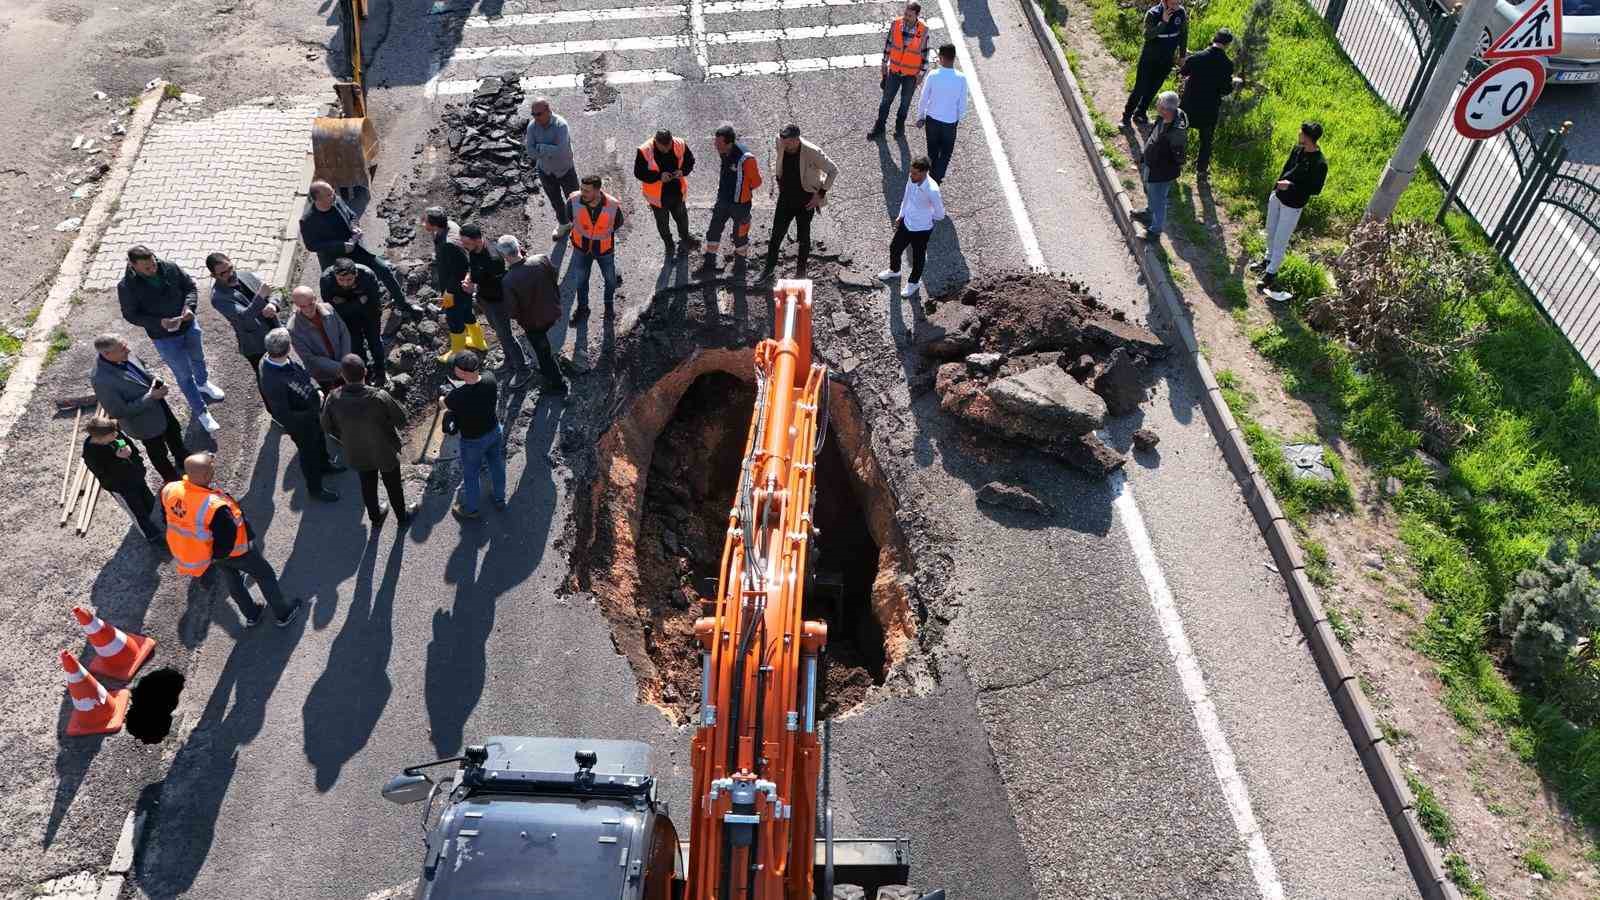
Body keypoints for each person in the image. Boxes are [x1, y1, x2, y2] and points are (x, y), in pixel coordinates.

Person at [163, 451, 303, 628]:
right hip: (237, 552)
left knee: (233, 580)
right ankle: (283, 614)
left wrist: (213, 555)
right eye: (211, 467)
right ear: (207, 475)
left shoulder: (171, 490)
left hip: (208, 553)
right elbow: (229, 536)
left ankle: (252, 615)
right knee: (265, 576)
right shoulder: (214, 506)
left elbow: (167, 517)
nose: (214, 469)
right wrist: (223, 553)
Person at [117, 246, 222, 433]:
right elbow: (130, 315)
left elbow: (190, 287)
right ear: (133, 265)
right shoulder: (127, 287)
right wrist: (158, 322)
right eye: (147, 268)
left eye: (153, 264)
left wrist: (189, 307)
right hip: (164, 337)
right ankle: (201, 411)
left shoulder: (170, 267)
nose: (153, 269)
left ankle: (203, 383)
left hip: (189, 327)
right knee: (183, 375)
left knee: (198, 358)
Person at [321, 354, 418, 530]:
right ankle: (402, 517)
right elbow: (402, 419)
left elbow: (327, 427)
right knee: (393, 485)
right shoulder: (379, 396)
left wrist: (345, 437)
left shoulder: (333, 398)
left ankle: (376, 517)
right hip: (384, 448)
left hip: (356, 450)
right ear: (365, 372)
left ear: (342, 375)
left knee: (367, 484)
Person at [298, 180, 414, 314]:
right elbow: (312, 245)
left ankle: (403, 303)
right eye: (329, 194)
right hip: (335, 260)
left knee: (384, 270)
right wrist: (341, 246)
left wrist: (354, 227)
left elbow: (352, 215)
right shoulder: (308, 220)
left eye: (333, 191)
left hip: (356, 250)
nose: (334, 195)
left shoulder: (337, 201)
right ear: (318, 199)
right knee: (341, 291)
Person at [258, 328, 342, 502]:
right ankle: (315, 489)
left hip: (311, 414)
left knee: (320, 439)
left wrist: (317, 389)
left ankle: (324, 465)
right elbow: (283, 413)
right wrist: (312, 411)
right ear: (287, 348)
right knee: (308, 455)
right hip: (300, 425)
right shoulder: (272, 379)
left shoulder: (281, 358)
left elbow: (304, 373)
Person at [91, 334, 189, 483]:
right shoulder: (101, 380)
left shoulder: (122, 354)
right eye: (123, 349)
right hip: (144, 423)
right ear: (107, 354)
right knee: (158, 452)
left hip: (160, 407)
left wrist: (155, 379)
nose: (128, 350)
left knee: (174, 432)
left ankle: (183, 459)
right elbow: (118, 411)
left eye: (125, 346)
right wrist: (151, 397)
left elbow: (143, 368)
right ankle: (171, 480)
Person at [1252, 121, 1328, 298]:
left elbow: (1315, 189)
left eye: (1301, 133)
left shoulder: (1319, 163)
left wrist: (1291, 186)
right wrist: (1275, 188)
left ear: (1308, 138)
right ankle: (1267, 260)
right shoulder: (1297, 149)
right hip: (1278, 196)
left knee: (1281, 238)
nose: (1298, 134)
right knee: (1270, 231)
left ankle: (1271, 274)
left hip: (1292, 205)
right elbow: (1286, 168)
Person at [761, 124, 839, 283]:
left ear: (797, 139)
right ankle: (768, 270)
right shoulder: (780, 141)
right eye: (782, 141)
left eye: (788, 142)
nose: (784, 145)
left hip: (806, 201)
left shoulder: (812, 152)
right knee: (776, 235)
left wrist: (820, 194)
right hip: (785, 198)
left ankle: (801, 273)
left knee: (803, 238)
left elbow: (833, 170)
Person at [499, 234, 569, 395]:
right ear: (518, 246)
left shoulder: (508, 280)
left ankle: (558, 384)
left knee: (543, 354)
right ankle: (551, 374)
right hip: (553, 310)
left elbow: (512, 311)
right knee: (544, 349)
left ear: (504, 256)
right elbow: (554, 276)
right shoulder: (541, 259)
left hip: (533, 323)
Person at [459, 223, 525, 386]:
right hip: (486, 300)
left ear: (477, 240)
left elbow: (497, 286)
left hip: (497, 302)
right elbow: (474, 271)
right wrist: (470, 277)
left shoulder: (493, 259)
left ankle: (523, 370)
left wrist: (472, 289)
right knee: (499, 331)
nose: (464, 246)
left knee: (506, 335)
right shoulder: (474, 251)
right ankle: (509, 360)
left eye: (466, 243)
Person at [80, 415, 164, 543]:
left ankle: (156, 522)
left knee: (150, 502)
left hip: (137, 477)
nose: (116, 435)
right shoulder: (91, 453)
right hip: (123, 488)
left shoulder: (114, 433)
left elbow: (130, 447)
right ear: (100, 438)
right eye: (112, 434)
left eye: (116, 432)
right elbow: (105, 475)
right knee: (137, 512)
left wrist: (136, 459)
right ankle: (152, 535)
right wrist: (120, 459)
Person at [692, 125, 761, 279]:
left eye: (719, 143)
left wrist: (742, 192)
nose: (715, 146)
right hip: (723, 201)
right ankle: (710, 262)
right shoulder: (724, 152)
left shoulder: (746, 159)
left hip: (740, 205)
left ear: (729, 142)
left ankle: (740, 264)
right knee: (714, 229)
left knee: (740, 234)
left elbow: (756, 182)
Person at [443, 350, 505, 518]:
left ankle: (472, 509)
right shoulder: (490, 379)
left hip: (473, 441)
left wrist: (444, 398)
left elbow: (445, 403)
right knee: (496, 464)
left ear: (461, 372)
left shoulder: (457, 395)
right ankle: (500, 498)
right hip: (494, 431)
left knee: (471, 474)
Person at [206, 252, 278, 386]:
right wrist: (261, 296)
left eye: (230, 268)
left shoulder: (245, 275)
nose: (230, 274)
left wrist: (273, 303)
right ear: (213, 276)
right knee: (268, 381)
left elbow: (274, 291)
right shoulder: (218, 298)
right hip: (257, 345)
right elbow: (244, 317)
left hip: (274, 331)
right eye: (223, 273)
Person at [422, 206, 483, 362]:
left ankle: (457, 352)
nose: (423, 224)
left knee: (454, 319)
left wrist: (449, 291)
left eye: (426, 221)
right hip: (462, 285)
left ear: (435, 225)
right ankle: (478, 342)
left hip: (455, 288)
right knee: (467, 312)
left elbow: (460, 269)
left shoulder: (448, 244)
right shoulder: (450, 225)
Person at [878, 156, 945, 299]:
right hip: (906, 223)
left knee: (918, 257)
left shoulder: (932, 190)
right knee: (894, 248)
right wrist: (901, 215)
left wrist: (925, 216)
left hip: (922, 230)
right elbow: (906, 197)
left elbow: (940, 214)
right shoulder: (912, 179)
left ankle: (914, 283)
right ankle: (894, 270)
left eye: (915, 173)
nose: (911, 175)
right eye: (911, 172)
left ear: (924, 172)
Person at [1178, 29, 1238, 179]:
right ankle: (1201, 171)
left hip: (1189, 105)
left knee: (1180, 134)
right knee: (1206, 142)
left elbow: (1183, 72)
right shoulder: (1227, 65)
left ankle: (1176, 162)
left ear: (1213, 38)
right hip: (1209, 110)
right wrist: (1233, 84)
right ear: (1228, 45)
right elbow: (1225, 90)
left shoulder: (1197, 57)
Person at [563, 176, 624, 324]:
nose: (582, 193)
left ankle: (608, 306)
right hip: (581, 248)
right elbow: (570, 217)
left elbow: (618, 223)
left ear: (597, 191)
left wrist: (599, 234)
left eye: (586, 190)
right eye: (581, 188)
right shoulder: (573, 201)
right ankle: (583, 308)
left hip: (604, 249)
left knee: (610, 280)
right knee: (581, 281)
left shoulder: (612, 205)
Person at [319, 258, 387, 385]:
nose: (345, 284)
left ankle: (381, 373)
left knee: (375, 343)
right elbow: (332, 308)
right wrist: (359, 301)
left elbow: (374, 302)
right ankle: (365, 375)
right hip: (347, 319)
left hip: (369, 315)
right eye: (341, 280)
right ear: (335, 276)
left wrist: (346, 304)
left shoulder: (367, 275)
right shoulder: (326, 281)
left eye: (349, 279)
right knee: (356, 347)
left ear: (356, 274)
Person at [1121, 0, 1189, 127]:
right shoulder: (1153, 13)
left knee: (1154, 87)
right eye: (1174, 3)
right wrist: (1163, 22)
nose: (1177, 5)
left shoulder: (1181, 12)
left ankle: (1140, 112)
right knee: (1140, 88)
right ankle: (1126, 116)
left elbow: (1183, 34)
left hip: (1166, 60)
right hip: (1149, 59)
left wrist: (1182, 56)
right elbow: (1147, 35)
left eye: (1178, 2)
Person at [1132, 91, 1188, 241]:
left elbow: (1179, 158)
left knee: (1159, 201)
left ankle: (1155, 231)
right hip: (1151, 166)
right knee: (1150, 191)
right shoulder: (1164, 118)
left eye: (1159, 104)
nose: (1156, 105)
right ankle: (1148, 213)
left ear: (1166, 109)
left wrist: (1160, 165)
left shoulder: (1176, 133)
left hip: (1161, 172)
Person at [633, 129, 699, 257]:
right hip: (658, 198)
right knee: (663, 223)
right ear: (656, 142)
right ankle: (669, 244)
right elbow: (639, 173)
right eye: (663, 148)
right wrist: (658, 176)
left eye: (669, 147)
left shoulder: (679, 144)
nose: (667, 150)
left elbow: (690, 161)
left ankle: (684, 237)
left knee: (682, 217)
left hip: (677, 192)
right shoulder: (644, 150)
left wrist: (683, 171)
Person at [870, 2, 930, 139]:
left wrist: (921, 74)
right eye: (905, 14)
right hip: (894, 71)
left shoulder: (923, 30)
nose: (906, 17)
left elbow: (925, 54)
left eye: (909, 15)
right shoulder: (896, 24)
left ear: (917, 15)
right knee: (886, 100)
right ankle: (879, 125)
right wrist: (884, 63)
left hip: (911, 75)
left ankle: (899, 126)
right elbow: (889, 44)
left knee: (905, 102)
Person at [523, 97, 580, 242]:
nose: (536, 117)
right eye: (533, 114)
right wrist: (549, 149)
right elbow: (530, 151)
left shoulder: (561, 125)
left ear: (548, 110)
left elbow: (561, 150)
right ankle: (564, 224)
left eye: (539, 114)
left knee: (574, 198)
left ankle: (579, 225)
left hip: (565, 170)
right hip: (546, 171)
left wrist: (541, 147)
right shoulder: (532, 127)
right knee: (555, 200)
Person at [914, 43, 969, 182]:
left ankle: (932, 179)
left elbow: (924, 98)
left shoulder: (933, 75)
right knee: (946, 153)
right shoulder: (961, 78)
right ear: (954, 57)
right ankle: (937, 178)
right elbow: (962, 104)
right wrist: (958, 118)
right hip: (950, 122)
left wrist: (920, 116)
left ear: (941, 57)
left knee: (932, 151)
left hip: (932, 120)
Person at [287, 286, 353, 392]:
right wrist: (340, 367)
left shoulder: (328, 308)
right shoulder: (293, 328)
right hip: (324, 375)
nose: (308, 309)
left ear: (315, 298)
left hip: (343, 363)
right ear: (295, 305)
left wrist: (345, 358)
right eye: (303, 306)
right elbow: (309, 358)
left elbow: (344, 332)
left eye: (311, 303)